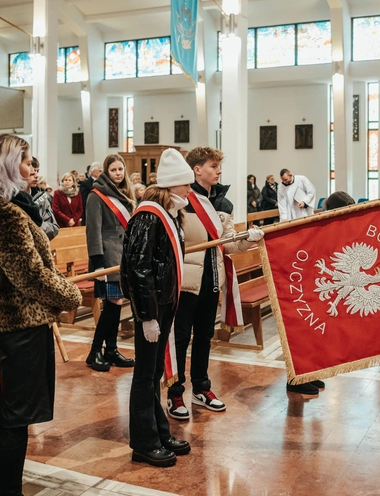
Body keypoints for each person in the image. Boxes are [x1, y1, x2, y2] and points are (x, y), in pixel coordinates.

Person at [0, 134, 82, 496]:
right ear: (6, 165)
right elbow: (28, 274)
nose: (33, 167)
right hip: (17, 320)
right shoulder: (2, 212)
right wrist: (70, 293)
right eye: (26, 160)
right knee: (16, 417)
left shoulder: (13, 206)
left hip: (24, 318)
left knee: (21, 414)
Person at [166, 147, 264, 421]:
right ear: (197, 169)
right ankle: (175, 392)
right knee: (181, 337)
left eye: (218, 166)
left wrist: (249, 238)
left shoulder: (222, 203)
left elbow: (230, 244)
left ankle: (201, 387)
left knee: (205, 337)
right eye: (213, 166)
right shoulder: (182, 200)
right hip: (187, 283)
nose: (218, 171)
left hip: (211, 280)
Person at [120, 148, 193, 468]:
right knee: (144, 375)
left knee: (155, 374)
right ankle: (144, 442)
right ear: (172, 186)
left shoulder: (171, 213)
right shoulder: (149, 215)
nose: (189, 192)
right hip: (152, 309)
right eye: (186, 185)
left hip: (164, 305)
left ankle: (160, 433)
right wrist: (147, 316)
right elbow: (139, 268)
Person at [285, 191, 356, 395]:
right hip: (304, 287)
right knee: (301, 333)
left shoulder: (333, 228)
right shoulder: (317, 227)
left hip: (317, 287)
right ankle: (294, 378)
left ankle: (307, 373)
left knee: (314, 334)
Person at [85, 155, 137, 372]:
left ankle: (111, 350)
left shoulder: (124, 194)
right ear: (106, 172)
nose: (118, 173)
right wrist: (98, 263)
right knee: (112, 305)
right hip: (107, 259)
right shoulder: (96, 196)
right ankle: (95, 351)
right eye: (114, 170)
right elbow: (93, 231)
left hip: (122, 257)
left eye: (120, 169)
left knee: (115, 304)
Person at [29, 158, 59, 240]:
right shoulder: (13, 196)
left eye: (37, 171)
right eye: (32, 171)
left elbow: (54, 228)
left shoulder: (42, 197)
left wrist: (38, 224)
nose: (36, 175)